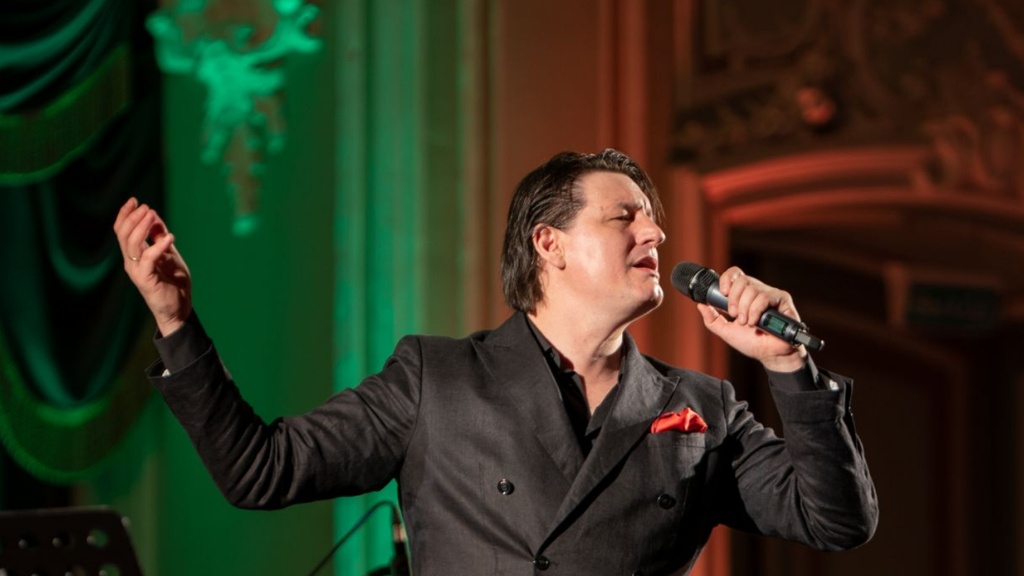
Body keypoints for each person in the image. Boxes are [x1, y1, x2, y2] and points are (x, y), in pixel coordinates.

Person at [114, 149, 877, 575]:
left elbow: (836, 520)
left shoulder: (702, 407)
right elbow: (259, 471)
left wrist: (789, 367)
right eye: (625, 216)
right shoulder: (436, 377)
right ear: (550, 244)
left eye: (654, 220)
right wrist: (176, 322)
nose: (654, 234)